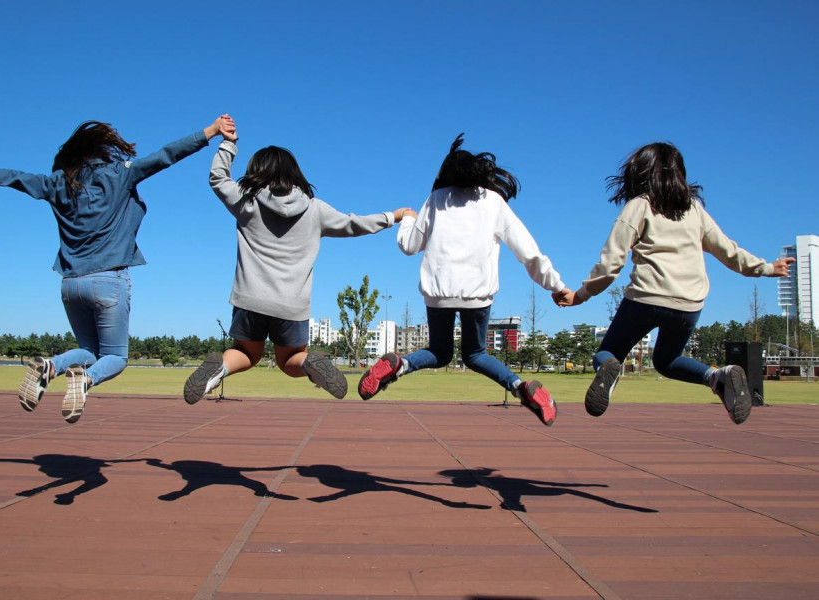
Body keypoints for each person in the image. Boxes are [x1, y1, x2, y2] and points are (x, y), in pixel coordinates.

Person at [0, 116, 230, 423]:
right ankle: (85, 381)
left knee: (89, 350)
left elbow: (13, 177)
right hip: (109, 280)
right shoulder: (120, 174)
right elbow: (166, 155)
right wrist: (211, 132)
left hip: (70, 284)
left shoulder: (57, 183)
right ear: (101, 150)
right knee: (116, 358)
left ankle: (51, 366)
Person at [553, 142, 793, 424]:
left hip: (645, 299)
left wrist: (580, 295)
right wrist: (765, 267)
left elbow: (610, 265)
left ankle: (609, 368)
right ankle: (718, 377)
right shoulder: (694, 210)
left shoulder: (639, 206)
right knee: (667, 361)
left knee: (609, 353)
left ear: (639, 172)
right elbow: (728, 251)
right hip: (689, 305)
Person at [183, 116, 412, 403]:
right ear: (294, 174)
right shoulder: (315, 210)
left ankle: (219, 369)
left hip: (249, 299)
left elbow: (218, 178)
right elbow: (354, 224)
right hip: (292, 305)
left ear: (257, 171)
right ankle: (309, 364)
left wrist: (228, 144)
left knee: (245, 353)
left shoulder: (247, 201)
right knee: (290, 360)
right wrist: (393, 217)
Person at [357, 134, 566, 427]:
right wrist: (556, 286)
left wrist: (406, 218)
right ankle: (520, 388)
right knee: (475, 353)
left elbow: (408, 245)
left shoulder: (436, 200)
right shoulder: (493, 202)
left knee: (439, 352)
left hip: (438, 293)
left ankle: (399, 366)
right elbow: (527, 251)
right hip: (477, 296)